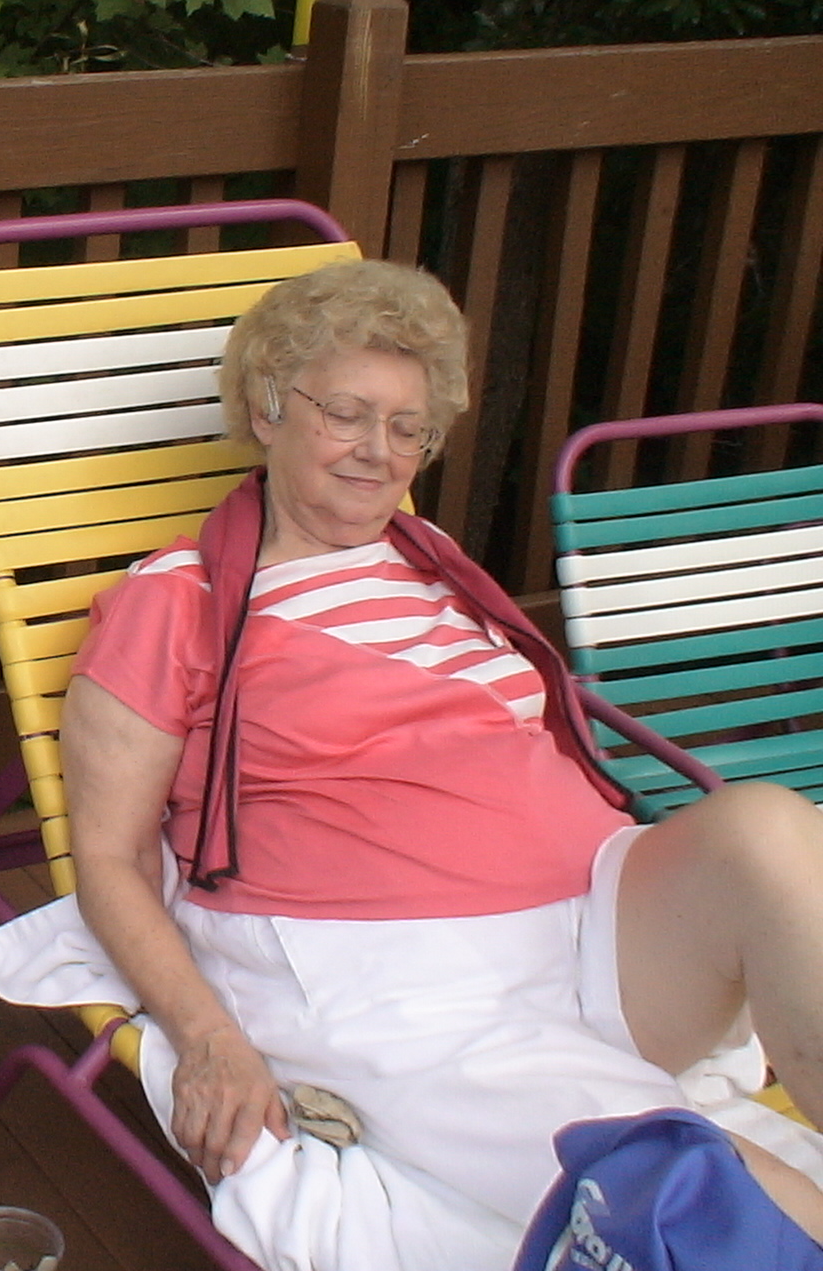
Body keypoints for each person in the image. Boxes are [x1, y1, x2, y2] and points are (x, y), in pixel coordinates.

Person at [59, 260, 823, 1257]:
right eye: (347, 414)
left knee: (767, 828)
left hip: (596, 928)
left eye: (407, 428)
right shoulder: (177, 601)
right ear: (267, 407)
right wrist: (209, 1038)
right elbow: (109, 856)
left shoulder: (434, 565)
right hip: (412, 984)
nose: (379, 451)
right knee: (706, 1187)